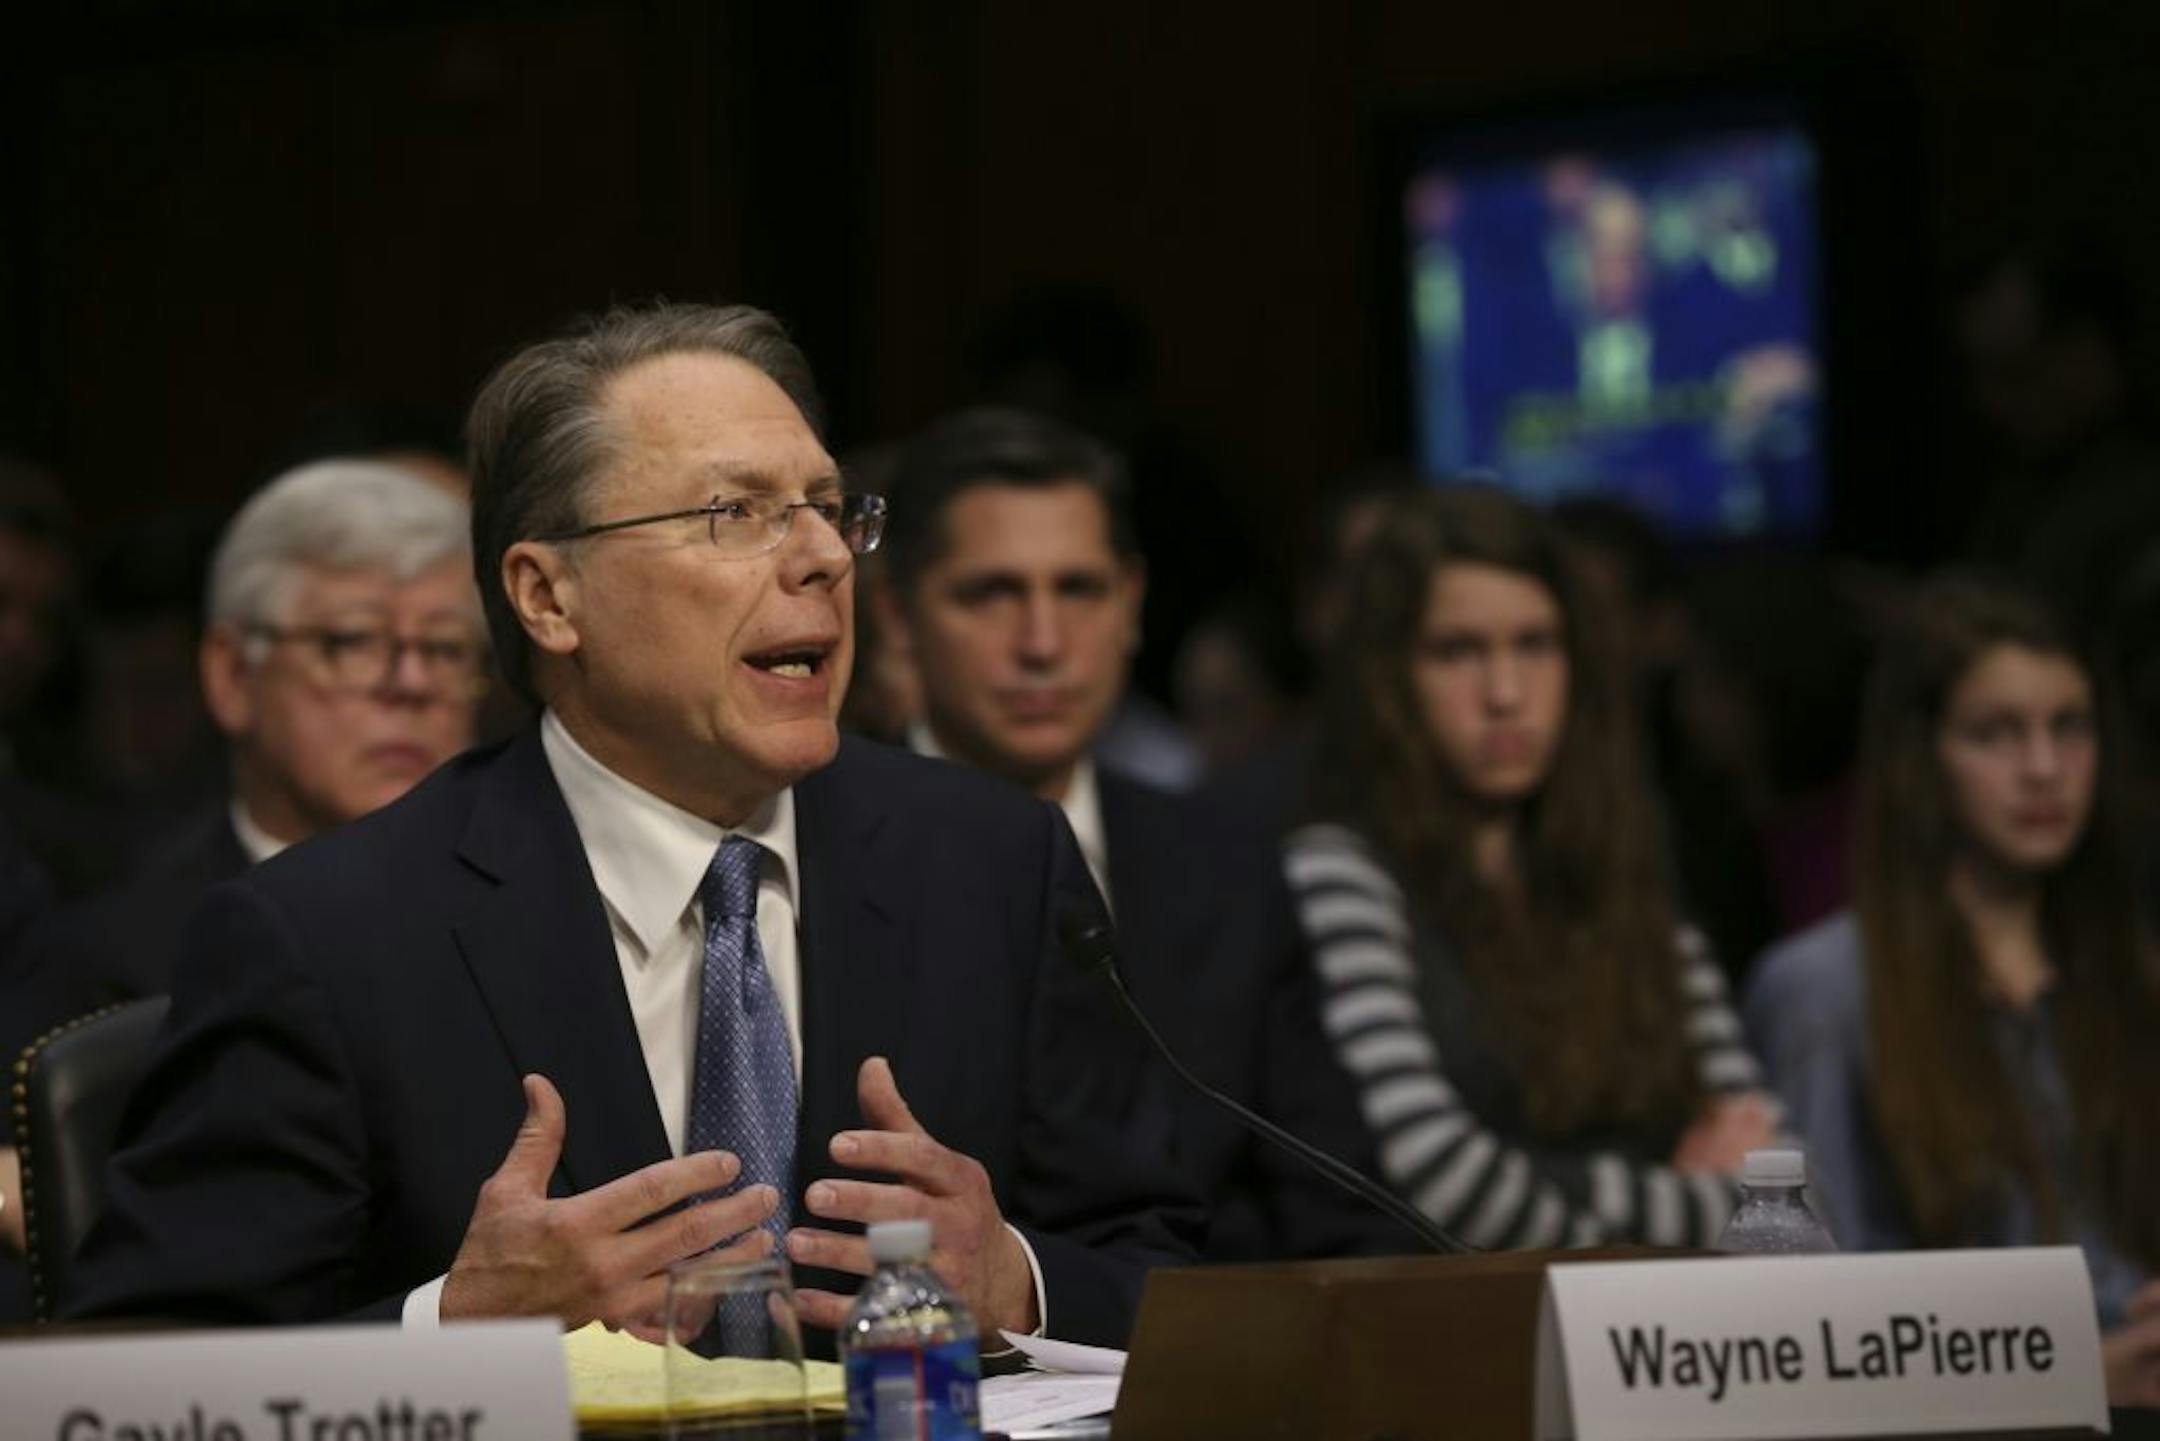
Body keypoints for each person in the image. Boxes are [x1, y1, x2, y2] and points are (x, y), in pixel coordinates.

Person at [67, 303, 1194, 1348]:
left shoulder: (993, 864)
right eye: (735, 514)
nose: (815, 557)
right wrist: (458, 1327)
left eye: (827, 507)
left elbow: (1169, 1269)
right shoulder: (329, 938)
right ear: (548, 597)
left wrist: (1017, 1279)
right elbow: (138, 1372)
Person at [873, 407, 1404, 1261]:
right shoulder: (817, 852)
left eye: (1078, 590)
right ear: (898, 616)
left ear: (1132, 604)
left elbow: (1346, 1217)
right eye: (992, 593)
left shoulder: (1229, 861)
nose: (1043, 644)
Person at [0, 459, 483, 1276]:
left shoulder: (535, 918)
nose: (410, 684)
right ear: (230, 676)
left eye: (444, 648)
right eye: (353, 641)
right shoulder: (96, 954)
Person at [1283, 484, 1775, 1250]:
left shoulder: (1621, 858)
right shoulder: (1341, 869)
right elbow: (1442, 1179)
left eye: (1535, 644)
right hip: (1462, 1339)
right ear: (1389, 678)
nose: (1506, 694)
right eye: (1457, 651)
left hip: (1666, 1346)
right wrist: (1689, 1200)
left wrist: (1581, 1192)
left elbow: (1778, 1184)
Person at [1744, 573, 2160, 1405]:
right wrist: (2068, 1375)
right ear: (1920, 756)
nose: (2044, 768)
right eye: (1996, 733)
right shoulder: (1819, 990)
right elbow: (1787, 1314)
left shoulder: (2137, 976)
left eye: (2069, 728)